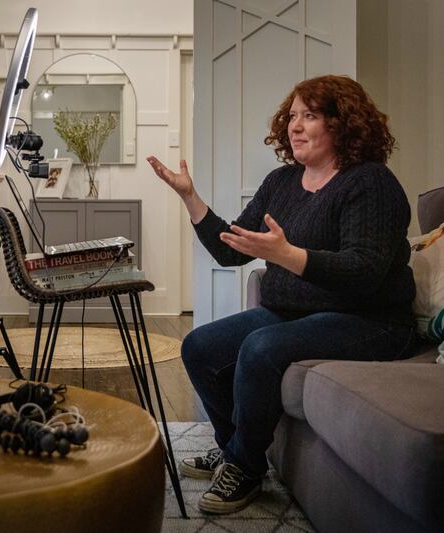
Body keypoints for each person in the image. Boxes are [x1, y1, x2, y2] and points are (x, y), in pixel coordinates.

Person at [146, 75, 416, 515]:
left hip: (370, 320)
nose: (295, 125)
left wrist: (290, 255)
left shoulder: (372, 183)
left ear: (342, 123)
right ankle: (234, 448)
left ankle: (245, 468)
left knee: (261, 347)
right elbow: (230, 249)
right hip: (292, 312)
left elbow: (364, 273)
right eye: (292, 116)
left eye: (309, 115)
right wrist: (190, 198)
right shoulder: (282, 181)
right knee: (200, 346)